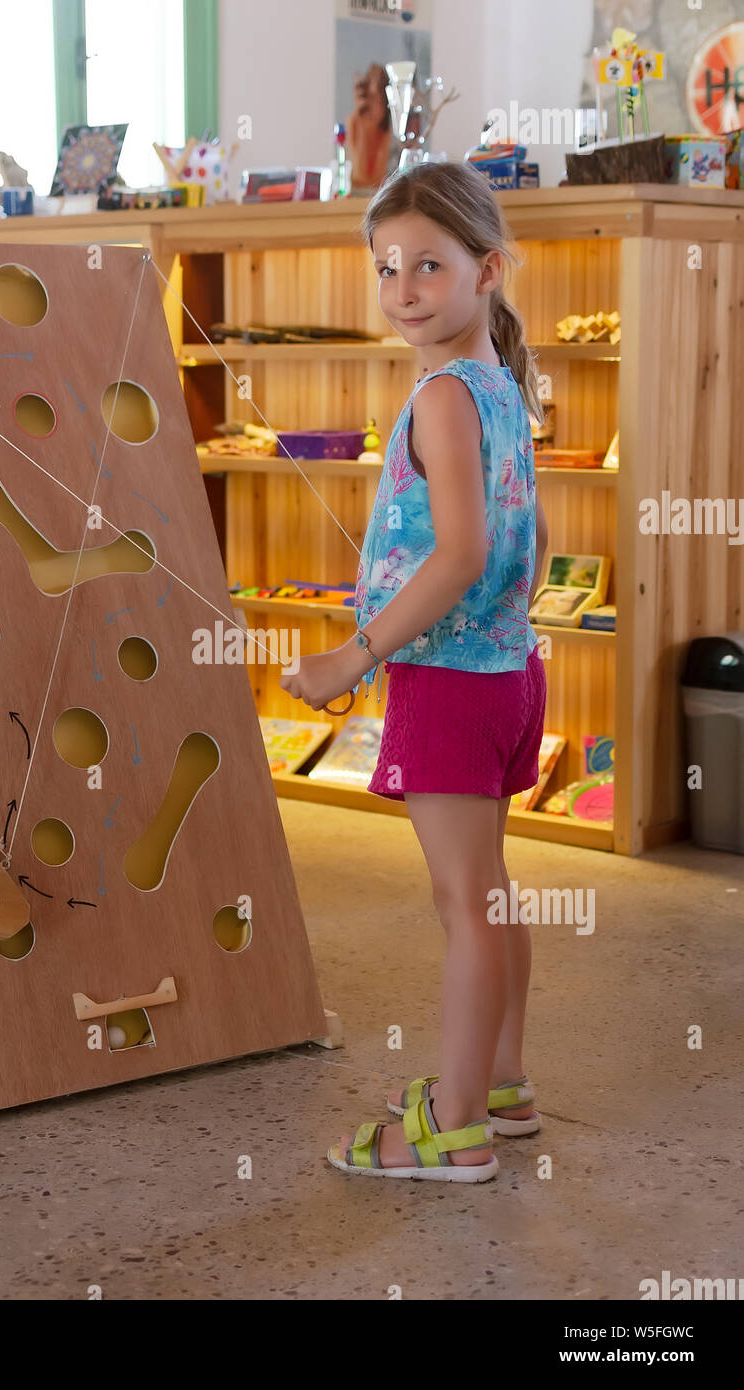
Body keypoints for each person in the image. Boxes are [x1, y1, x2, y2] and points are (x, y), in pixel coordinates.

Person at [279, 161, 548, 1181]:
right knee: (491, 892)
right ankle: (501, 1084)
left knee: (463, 905)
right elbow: (519, 542)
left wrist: (357, 651)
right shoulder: (499, 388)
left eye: (427, 265)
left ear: (487, 269)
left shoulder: (443, 394)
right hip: (506, 673)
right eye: (386, 266)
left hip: (448, 681)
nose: (401, 288)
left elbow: (461, 553)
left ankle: (455, 1131)